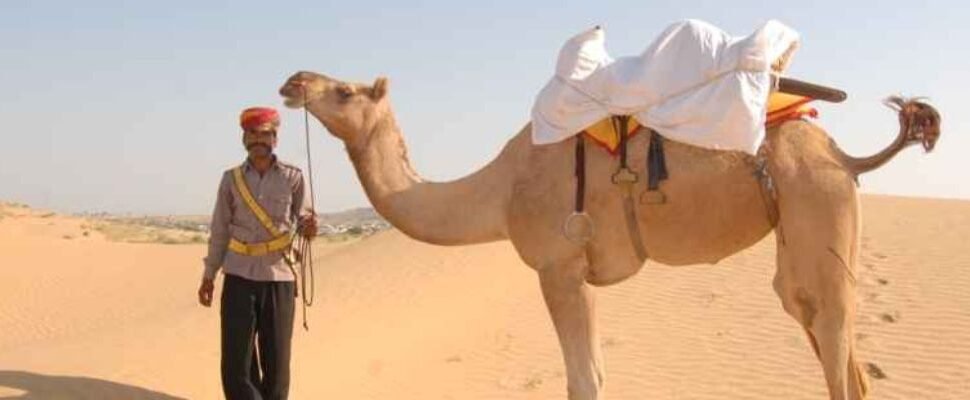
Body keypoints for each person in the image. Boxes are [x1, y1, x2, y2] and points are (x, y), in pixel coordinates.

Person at [197, 106, 317, 400]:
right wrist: (209, 275)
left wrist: (310, 226)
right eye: (253, 133)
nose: (258, 139)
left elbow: (305, 220)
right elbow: (220, 231)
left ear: (275, 139)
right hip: (238, 276)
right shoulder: (231, 180)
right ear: (244, 138)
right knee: (237, 362)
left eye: (265, 134)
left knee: (277, 362)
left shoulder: (293, 177)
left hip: (280, 277)